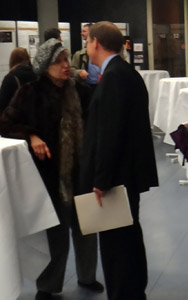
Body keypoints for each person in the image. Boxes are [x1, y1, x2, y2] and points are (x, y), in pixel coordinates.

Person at [0, 38, 102, 300]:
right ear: (45, 65)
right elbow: (6, 123)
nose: (65, 65)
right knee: (55, 235)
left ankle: (87, 276)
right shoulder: (30, 93)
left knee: (87, 229)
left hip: (81, 171)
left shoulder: (80, 91)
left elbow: (95, 126)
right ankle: (48, 285)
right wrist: (31, 136)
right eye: (58, 62)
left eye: (66, 59)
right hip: (48, 175)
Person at [80, 21, 158, 300]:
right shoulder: (124, 73)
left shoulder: (113, 77)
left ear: (96, 43)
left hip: (115, 179)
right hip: (127, 175)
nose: (86, 46)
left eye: (87, 40)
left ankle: (125, 293)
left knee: (117, 245)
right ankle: (134, 289)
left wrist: (100, 180)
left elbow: (109, 132)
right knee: (129, 237)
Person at [0, 47, 37, 114]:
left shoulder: (10, 78)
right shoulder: (37, 75)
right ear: (28, 59)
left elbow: (2, 105)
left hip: (17, 120)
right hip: (36, 119)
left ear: (12, 61)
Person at [71, 23, 101, 92]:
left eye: (84, 31)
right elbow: (71, 70)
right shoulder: (79, 55)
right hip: (86, 89)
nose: (81, 33)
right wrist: (79, 72)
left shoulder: (103, 53)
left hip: (102, 87)